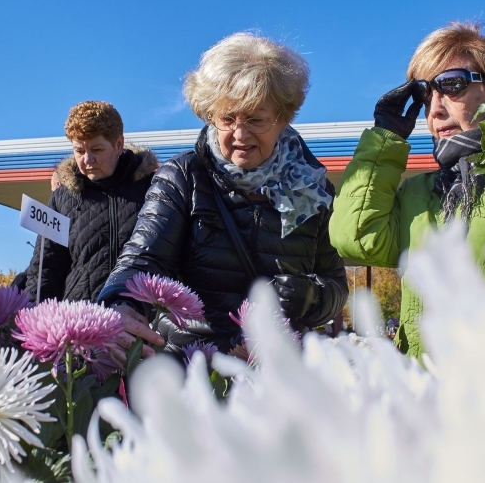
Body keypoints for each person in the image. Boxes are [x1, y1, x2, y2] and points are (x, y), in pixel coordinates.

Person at [99, 32, 349, 365]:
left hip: (278, 370)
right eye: (227, 119)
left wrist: (311, 296)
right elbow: (144, 259)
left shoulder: (314, 190)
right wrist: (122, 304)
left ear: (284, 117)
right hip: (196, 364)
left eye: (257, 119)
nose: (240, 135)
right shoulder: (184, 177)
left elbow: (335, 285)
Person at [330, 21, 485, 358]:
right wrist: (385, 138)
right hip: (428, 390)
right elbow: (354, 237)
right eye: (427, 94)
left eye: (451, 85)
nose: (435, 109)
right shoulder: (420, 192)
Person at [25, 101, 158, 303]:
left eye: (96, 149)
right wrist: (34, 322)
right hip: (80, 323)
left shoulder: (153, 190)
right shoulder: (62, 199)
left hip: (142, 321)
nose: (87, 159)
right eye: (79, 151)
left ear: (118, 145)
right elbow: (45, 268)